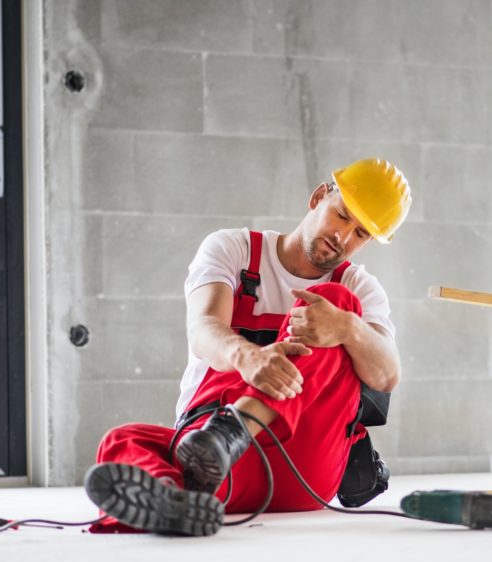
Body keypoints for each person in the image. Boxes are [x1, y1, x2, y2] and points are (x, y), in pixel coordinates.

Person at [84, 157, 412, 536]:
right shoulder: (234, 249)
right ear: (319, 196)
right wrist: (248, 357)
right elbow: (203, 328)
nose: (343, 236)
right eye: (341, 215)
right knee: (122, 440)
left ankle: (232, 430)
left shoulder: (359, 287)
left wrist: (349, 329)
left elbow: (388, 375)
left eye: (361, 234)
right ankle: (178, 503)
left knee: (335, 301)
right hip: (221, 462)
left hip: (302, 461)